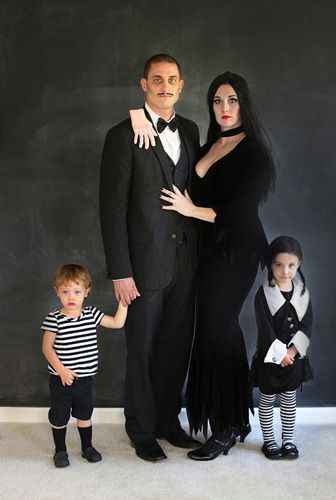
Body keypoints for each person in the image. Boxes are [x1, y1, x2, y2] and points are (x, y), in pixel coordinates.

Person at [133, 71, 276, 460]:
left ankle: (230, 426)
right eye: (217, 101)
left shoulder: (254, 153)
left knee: (220, 332)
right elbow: (161, 133)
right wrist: (136, 114)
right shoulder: (208, 141)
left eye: (232, 100)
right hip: (207, 254)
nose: (225, 108)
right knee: (213, 335)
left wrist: (191, 209)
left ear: (243, 104)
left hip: (238, 254)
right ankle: (226, 421)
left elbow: (243, 214)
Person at [99, 54, 201, 462]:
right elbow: (112, 209)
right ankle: (141, 430)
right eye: (156, 79)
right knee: (141, 349)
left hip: (186, 263)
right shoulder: (122, 135)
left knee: (176, 347)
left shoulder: (192, 130)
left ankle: (167, 422)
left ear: (182, 84)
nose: (165, 86)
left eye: (172, 79)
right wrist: (120, 272)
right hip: (142, 267)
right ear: (144, 84)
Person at [41, 264, 127, 468]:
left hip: (85, 381)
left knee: (84, 416)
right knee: (60, 417)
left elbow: (116, 322)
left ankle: (87, 446)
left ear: (87, 292)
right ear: (57, 292)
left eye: (77, 291)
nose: (71, 296)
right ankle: (60, 450)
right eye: (65, 291)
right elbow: (47, 348)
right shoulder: (55, 319)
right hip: (61, 381)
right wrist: (61, 370)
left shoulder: (91, 315)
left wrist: (124, 302)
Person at [251, 236, 313, 460]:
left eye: (291, 265)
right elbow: (265, 330)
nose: (285, 271)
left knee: (289, 399)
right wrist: (280, 355)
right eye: (278, 264)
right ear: (271, 265)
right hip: (270, 359)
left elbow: (307, 326)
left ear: (299, 265)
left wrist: (292, 352)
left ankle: (288, 440)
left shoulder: (303, 294)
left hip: (294, 360)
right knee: (266, 400)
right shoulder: (263, 294)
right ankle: (269, 441)